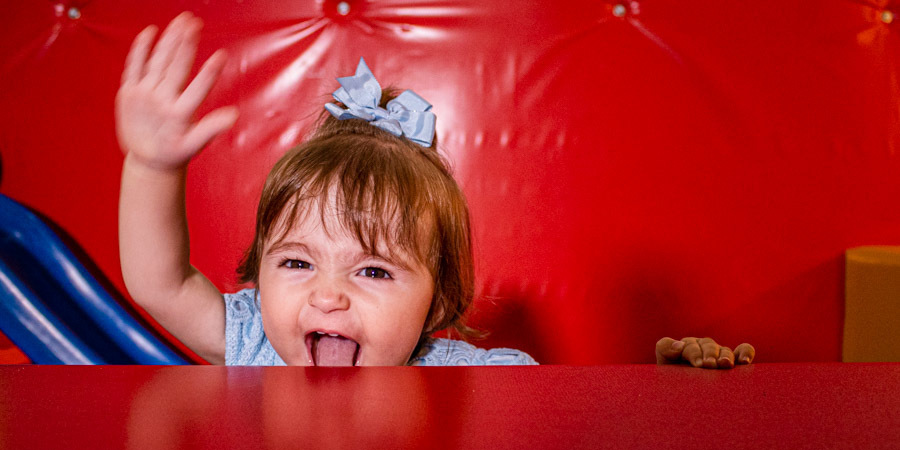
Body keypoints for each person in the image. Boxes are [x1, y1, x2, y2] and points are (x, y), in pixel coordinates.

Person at [116, 12, 755, 368]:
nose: (327, 296)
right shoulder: (256, 342)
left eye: (373, 270)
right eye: (296, 263)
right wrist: (151, 165)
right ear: (260, 270)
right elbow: (160, 285)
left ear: (437, 299)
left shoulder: (471, 381)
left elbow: (576, 442)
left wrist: (661, 399)